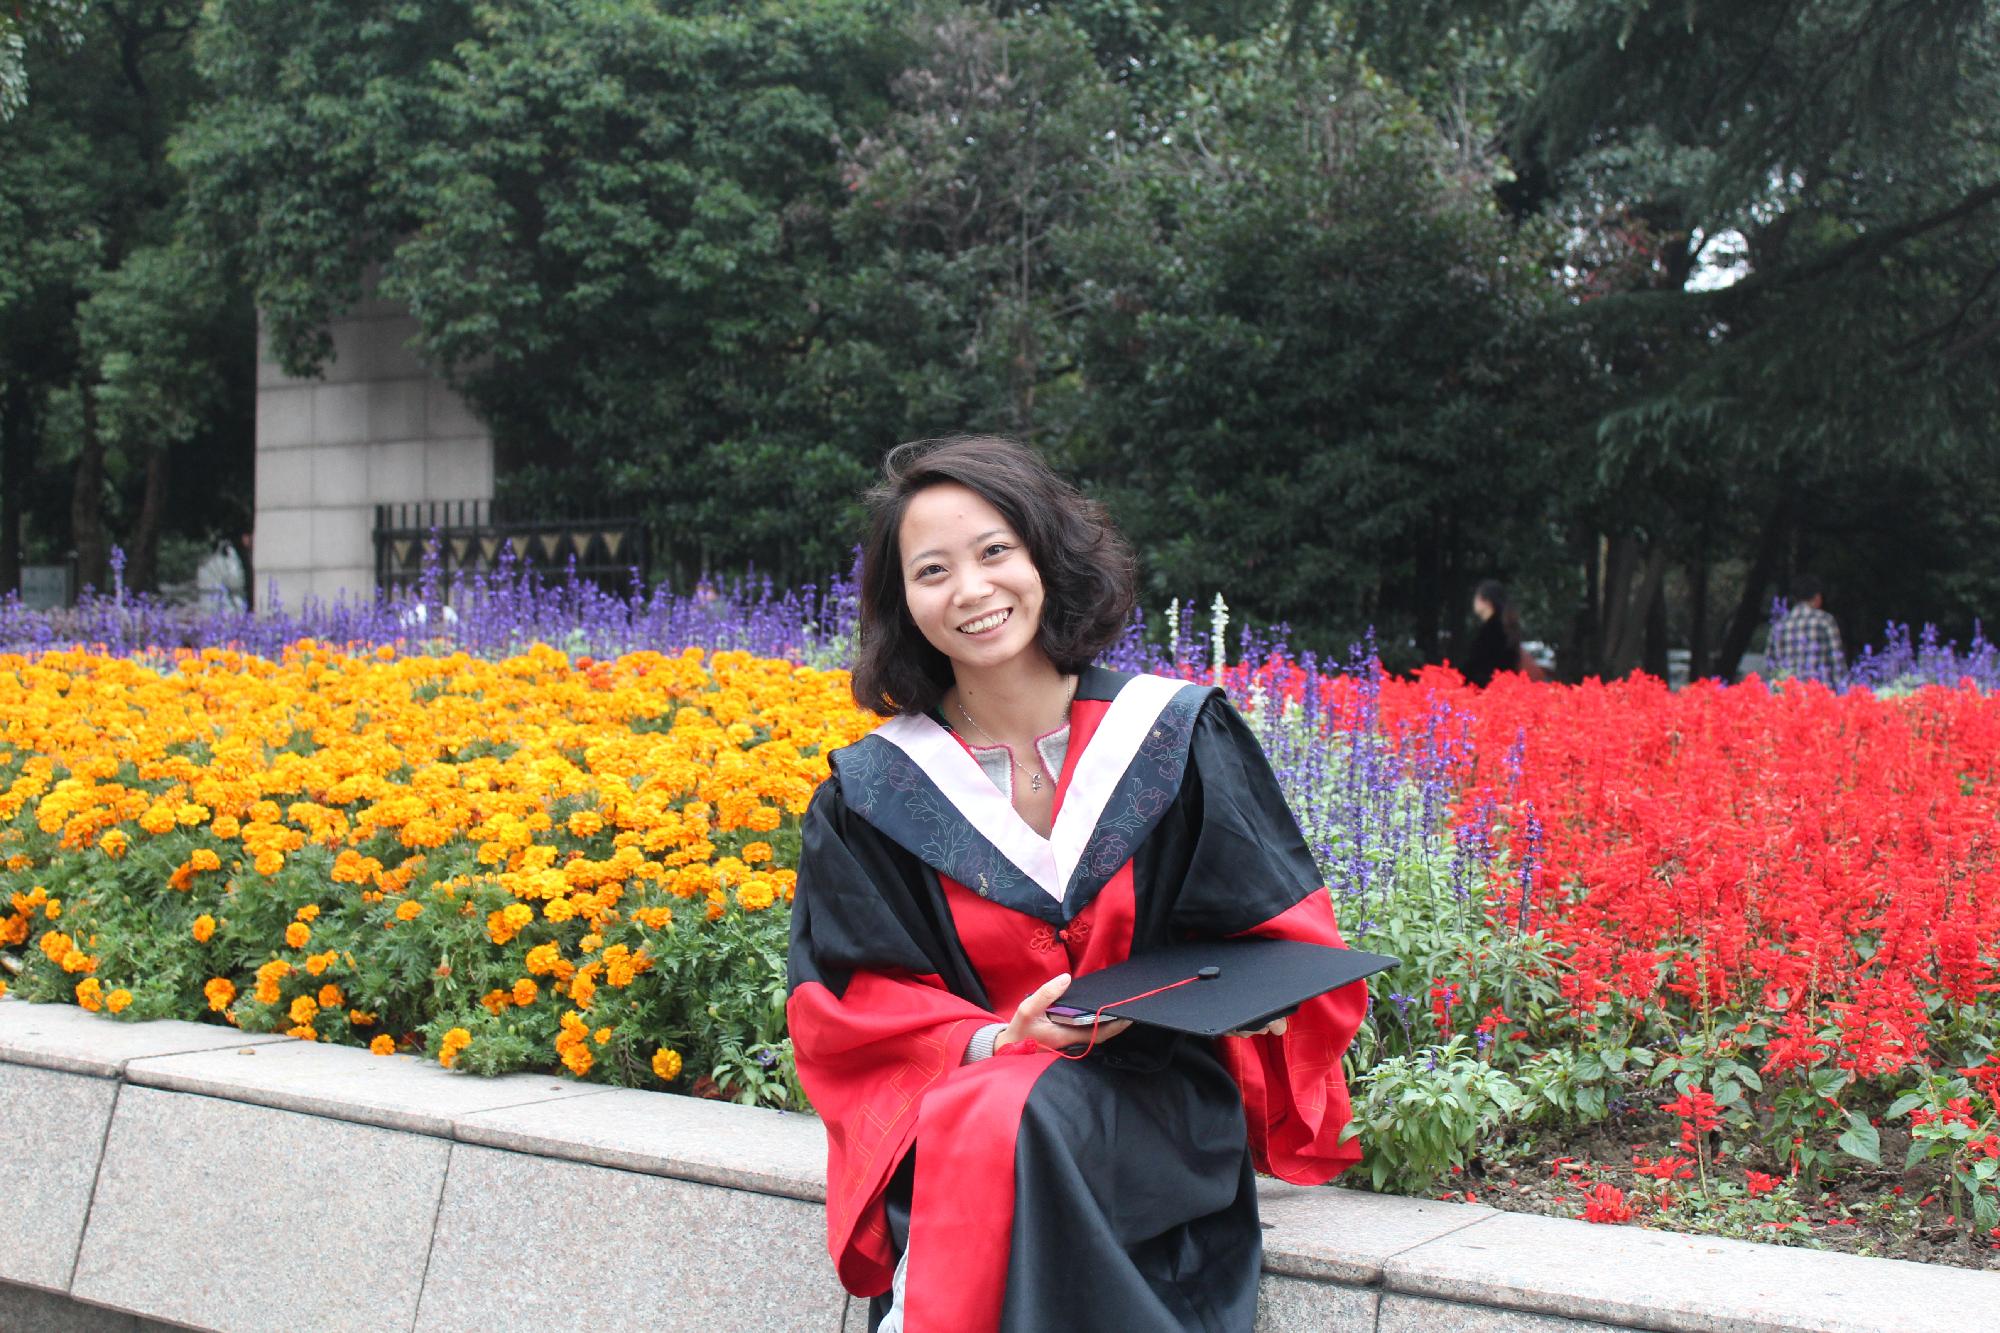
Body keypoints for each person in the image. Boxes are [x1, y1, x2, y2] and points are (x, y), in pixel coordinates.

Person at [787, 436, 1367, 1332]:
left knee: (998, 1121)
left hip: (1158, 1105)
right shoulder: (872, 794)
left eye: (994, 551)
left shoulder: (1173, 737)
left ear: (1045, 558)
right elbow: (845, 1003)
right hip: (978, 1100)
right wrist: (994, 1039)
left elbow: (1279, 934)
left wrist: (1243, 1000)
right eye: (932, 570)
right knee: (999, 1109)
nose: (970, 589)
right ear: (904, 601)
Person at [1765, 574, 1845, 687]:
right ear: (1817, 597)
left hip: (1788, 692)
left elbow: (1771, 664)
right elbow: (1837, 661)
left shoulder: (1779, 625)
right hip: (1819, 693)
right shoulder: (1825, 621)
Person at [1461, 578, 1522, 687]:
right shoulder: (1505, 626)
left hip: (1487, 688)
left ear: (1486, 601)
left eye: (1476, 598)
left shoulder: (1491, 631)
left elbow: (1476, 665)